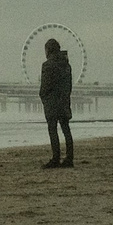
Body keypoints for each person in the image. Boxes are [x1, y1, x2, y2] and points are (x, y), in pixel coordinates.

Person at [38, 39, 74, 169]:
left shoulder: (48, 65)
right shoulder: (66, 65)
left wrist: (43, 96)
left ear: (49, 50)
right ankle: (69, 159)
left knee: (52, 130)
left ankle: (56, 158)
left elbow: (45, 85)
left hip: (52, 102)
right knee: (66, 129)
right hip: (64, 101)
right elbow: (69, 85)